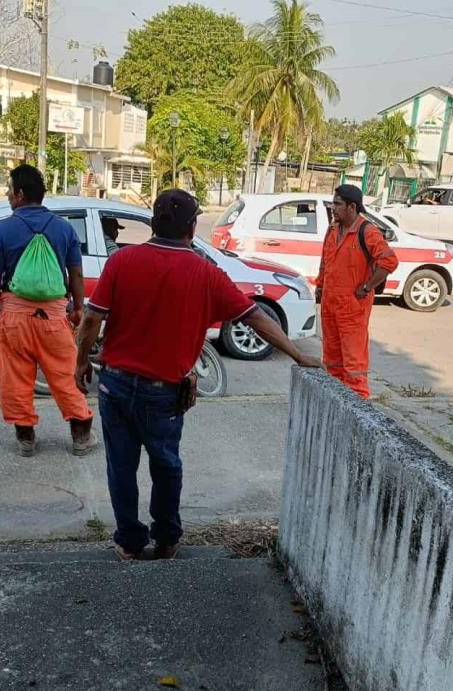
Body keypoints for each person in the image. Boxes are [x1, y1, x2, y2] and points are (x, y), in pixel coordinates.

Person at [75, 189, 321, 562]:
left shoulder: (123, 261)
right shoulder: (206, 273)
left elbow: (93, 318)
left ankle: (128, 541)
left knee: (121, 467)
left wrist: (80, 361)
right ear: (192, 227)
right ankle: (167, 539)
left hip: (116, 384)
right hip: (163, 392)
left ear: (154, 223)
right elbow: (254, 316)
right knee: (166, 465)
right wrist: (299, 354)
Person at [0, 164, 95, 457]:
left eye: (9, 190)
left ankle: (26, 438)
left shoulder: (1, 231)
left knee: (16, 377)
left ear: (19, 194)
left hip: (15, 318)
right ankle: (81, 435)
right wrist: (79, 308)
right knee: (65, 374)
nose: (7, 195)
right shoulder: (64, 229)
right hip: (55, 318)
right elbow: (76, 275)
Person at [314, 184, 399, 400]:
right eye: (333, 203)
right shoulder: (333, 230)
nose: (333, 208)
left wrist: (367, 287)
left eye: (337, 204)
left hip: (352, 310)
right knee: (332, 362)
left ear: (352, 207)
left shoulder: (367, 231)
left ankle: (359, 410)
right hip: (330, 306)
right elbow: (326, 261)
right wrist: (320, 286)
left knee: (354, 367)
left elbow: (389, 261)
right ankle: (335, 403)